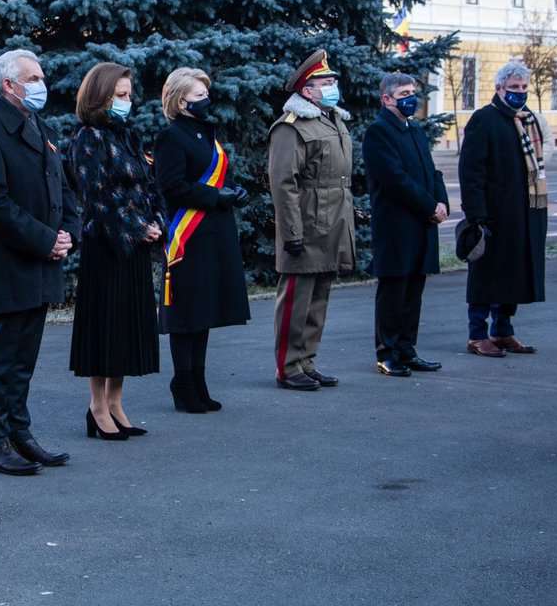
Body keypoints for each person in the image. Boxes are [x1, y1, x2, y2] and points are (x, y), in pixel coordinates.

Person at [0, 49, 81, 474]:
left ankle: (19, 431)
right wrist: (46, 240)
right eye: (32, 78)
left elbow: (64, 188)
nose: (40, 84)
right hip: (12, 260)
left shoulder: (37, 124)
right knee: (4, 354)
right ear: (8, 85)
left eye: (40, 76)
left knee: (25, 354)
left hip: (44, 258)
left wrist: (68, 233)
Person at [68, 63, 165, 440]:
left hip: (135, 246)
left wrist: (155, 221)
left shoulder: (128, 135)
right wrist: (136, 227)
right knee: (105, 328)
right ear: (100, 98)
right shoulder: (88, 137)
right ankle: (97, 406)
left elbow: (148, 186)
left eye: (129, 94)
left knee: (127, 328)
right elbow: (97, 197)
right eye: (120, 95)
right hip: (107, 246)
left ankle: (117, 403)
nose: (128, 101)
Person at [154, 68, 250, 413]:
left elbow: (215, 178)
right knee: (188, 313)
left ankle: (199, 382)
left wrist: (232, 192)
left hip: (215, 233)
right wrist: (216, 196)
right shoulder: (171, 137)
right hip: (188, 236)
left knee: (205, 310)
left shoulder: (207, 135)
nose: (206, 101)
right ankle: (183, 384)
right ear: (181, 101)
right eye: (199, 96)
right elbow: (172, 185)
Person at [268, 49, 355, 391]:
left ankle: (307, 360)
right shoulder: (291, 127)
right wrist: (291, 233)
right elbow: (283, 183)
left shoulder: (333, 119)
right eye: (324, 82)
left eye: (332, 80)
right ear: (306, 90)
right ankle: (287, 366)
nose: (331, 86)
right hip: (305, 223)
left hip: (332, 221)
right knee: (296, 300)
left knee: (319, 298)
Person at [458, 60, 547, 358]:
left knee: (515, 273)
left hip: (523, 212)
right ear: (498, 89)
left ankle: (503, 330)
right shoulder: (485, 119)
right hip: (493, 214)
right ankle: (477, 334)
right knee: (487, 274)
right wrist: (477, 215)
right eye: (513, 88)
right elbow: (471, 172)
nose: (519, 93)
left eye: (523, 87)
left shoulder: (527, 119)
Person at [361, 72, 448, 377]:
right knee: (394, 289)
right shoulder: (378, 132)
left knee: (414, 289)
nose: (412, 98)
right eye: (404, 93)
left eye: (413, 91)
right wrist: (429, 206)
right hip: (397, 225)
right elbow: (395, 180)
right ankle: (387, 353)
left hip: (422, 222)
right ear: (386, 99)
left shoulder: (415, 130)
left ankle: (407, 349)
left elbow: (430, 171)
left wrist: (442, 202)